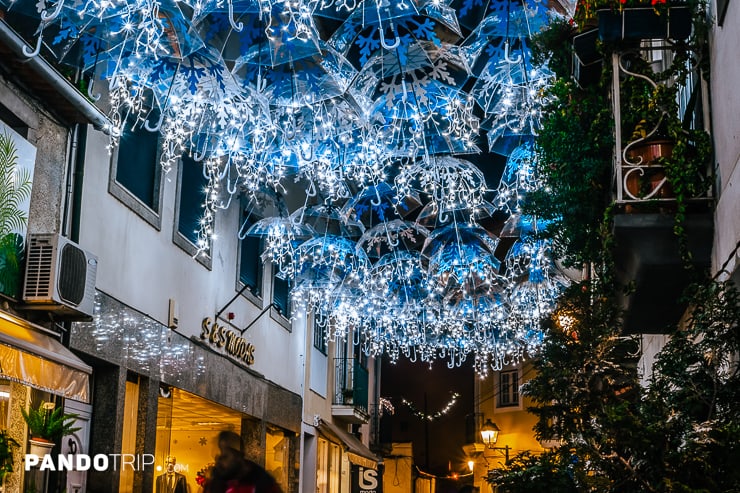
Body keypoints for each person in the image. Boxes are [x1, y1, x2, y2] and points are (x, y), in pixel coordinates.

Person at [203, 430, 283, 493]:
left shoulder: (263, 483)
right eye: (217, 458)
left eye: (224, 457)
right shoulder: (214, 485)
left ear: (238, 455)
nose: (219, 463)